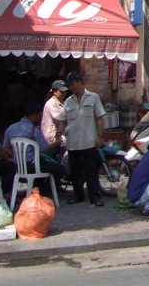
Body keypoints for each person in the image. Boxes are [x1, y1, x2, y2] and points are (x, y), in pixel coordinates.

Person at [54, 71, 106, 206]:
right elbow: (63, 120)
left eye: (73, 84)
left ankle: (95, 197)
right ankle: (78, 195)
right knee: (75, 170)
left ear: (79, 81)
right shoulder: (68, 102)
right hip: (73, 142)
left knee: (91, 170)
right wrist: (60, 130)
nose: (71, 88)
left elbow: (99, 118)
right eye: (69, 86)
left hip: (89, 141)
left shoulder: (93, 97)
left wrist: (99, 136)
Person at [1, 101, 69, 196]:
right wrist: (56, 144)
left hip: (17, 166)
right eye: (39, 116)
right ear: (34, 115)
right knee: (60, 169)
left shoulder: (11, 128)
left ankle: (36, 189)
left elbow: (5, 147)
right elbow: (45, 149)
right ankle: (42, 191)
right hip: (33, 166)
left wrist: (17, 155)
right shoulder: (34, 130)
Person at [41, 79, 68, 147]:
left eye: (65, 91)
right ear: (55, 92)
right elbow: (58, 118)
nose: (64, 93)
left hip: (61, 134)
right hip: (52, 136)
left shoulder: (63, 102)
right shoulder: (51, 103)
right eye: (61, 91)